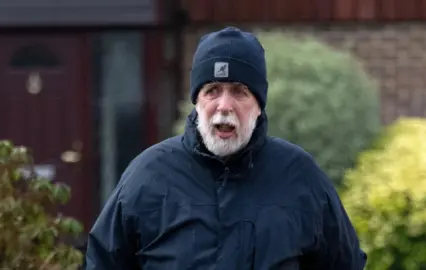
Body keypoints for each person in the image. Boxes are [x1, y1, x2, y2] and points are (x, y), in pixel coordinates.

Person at [85, 26, 367, 269]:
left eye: (239, 91)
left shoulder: (300, 176)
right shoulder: (147, 176)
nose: (224, 106)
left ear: (259, 105)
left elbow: (345, 263)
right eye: (212, 91)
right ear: (197, 101)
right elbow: (104, 261)